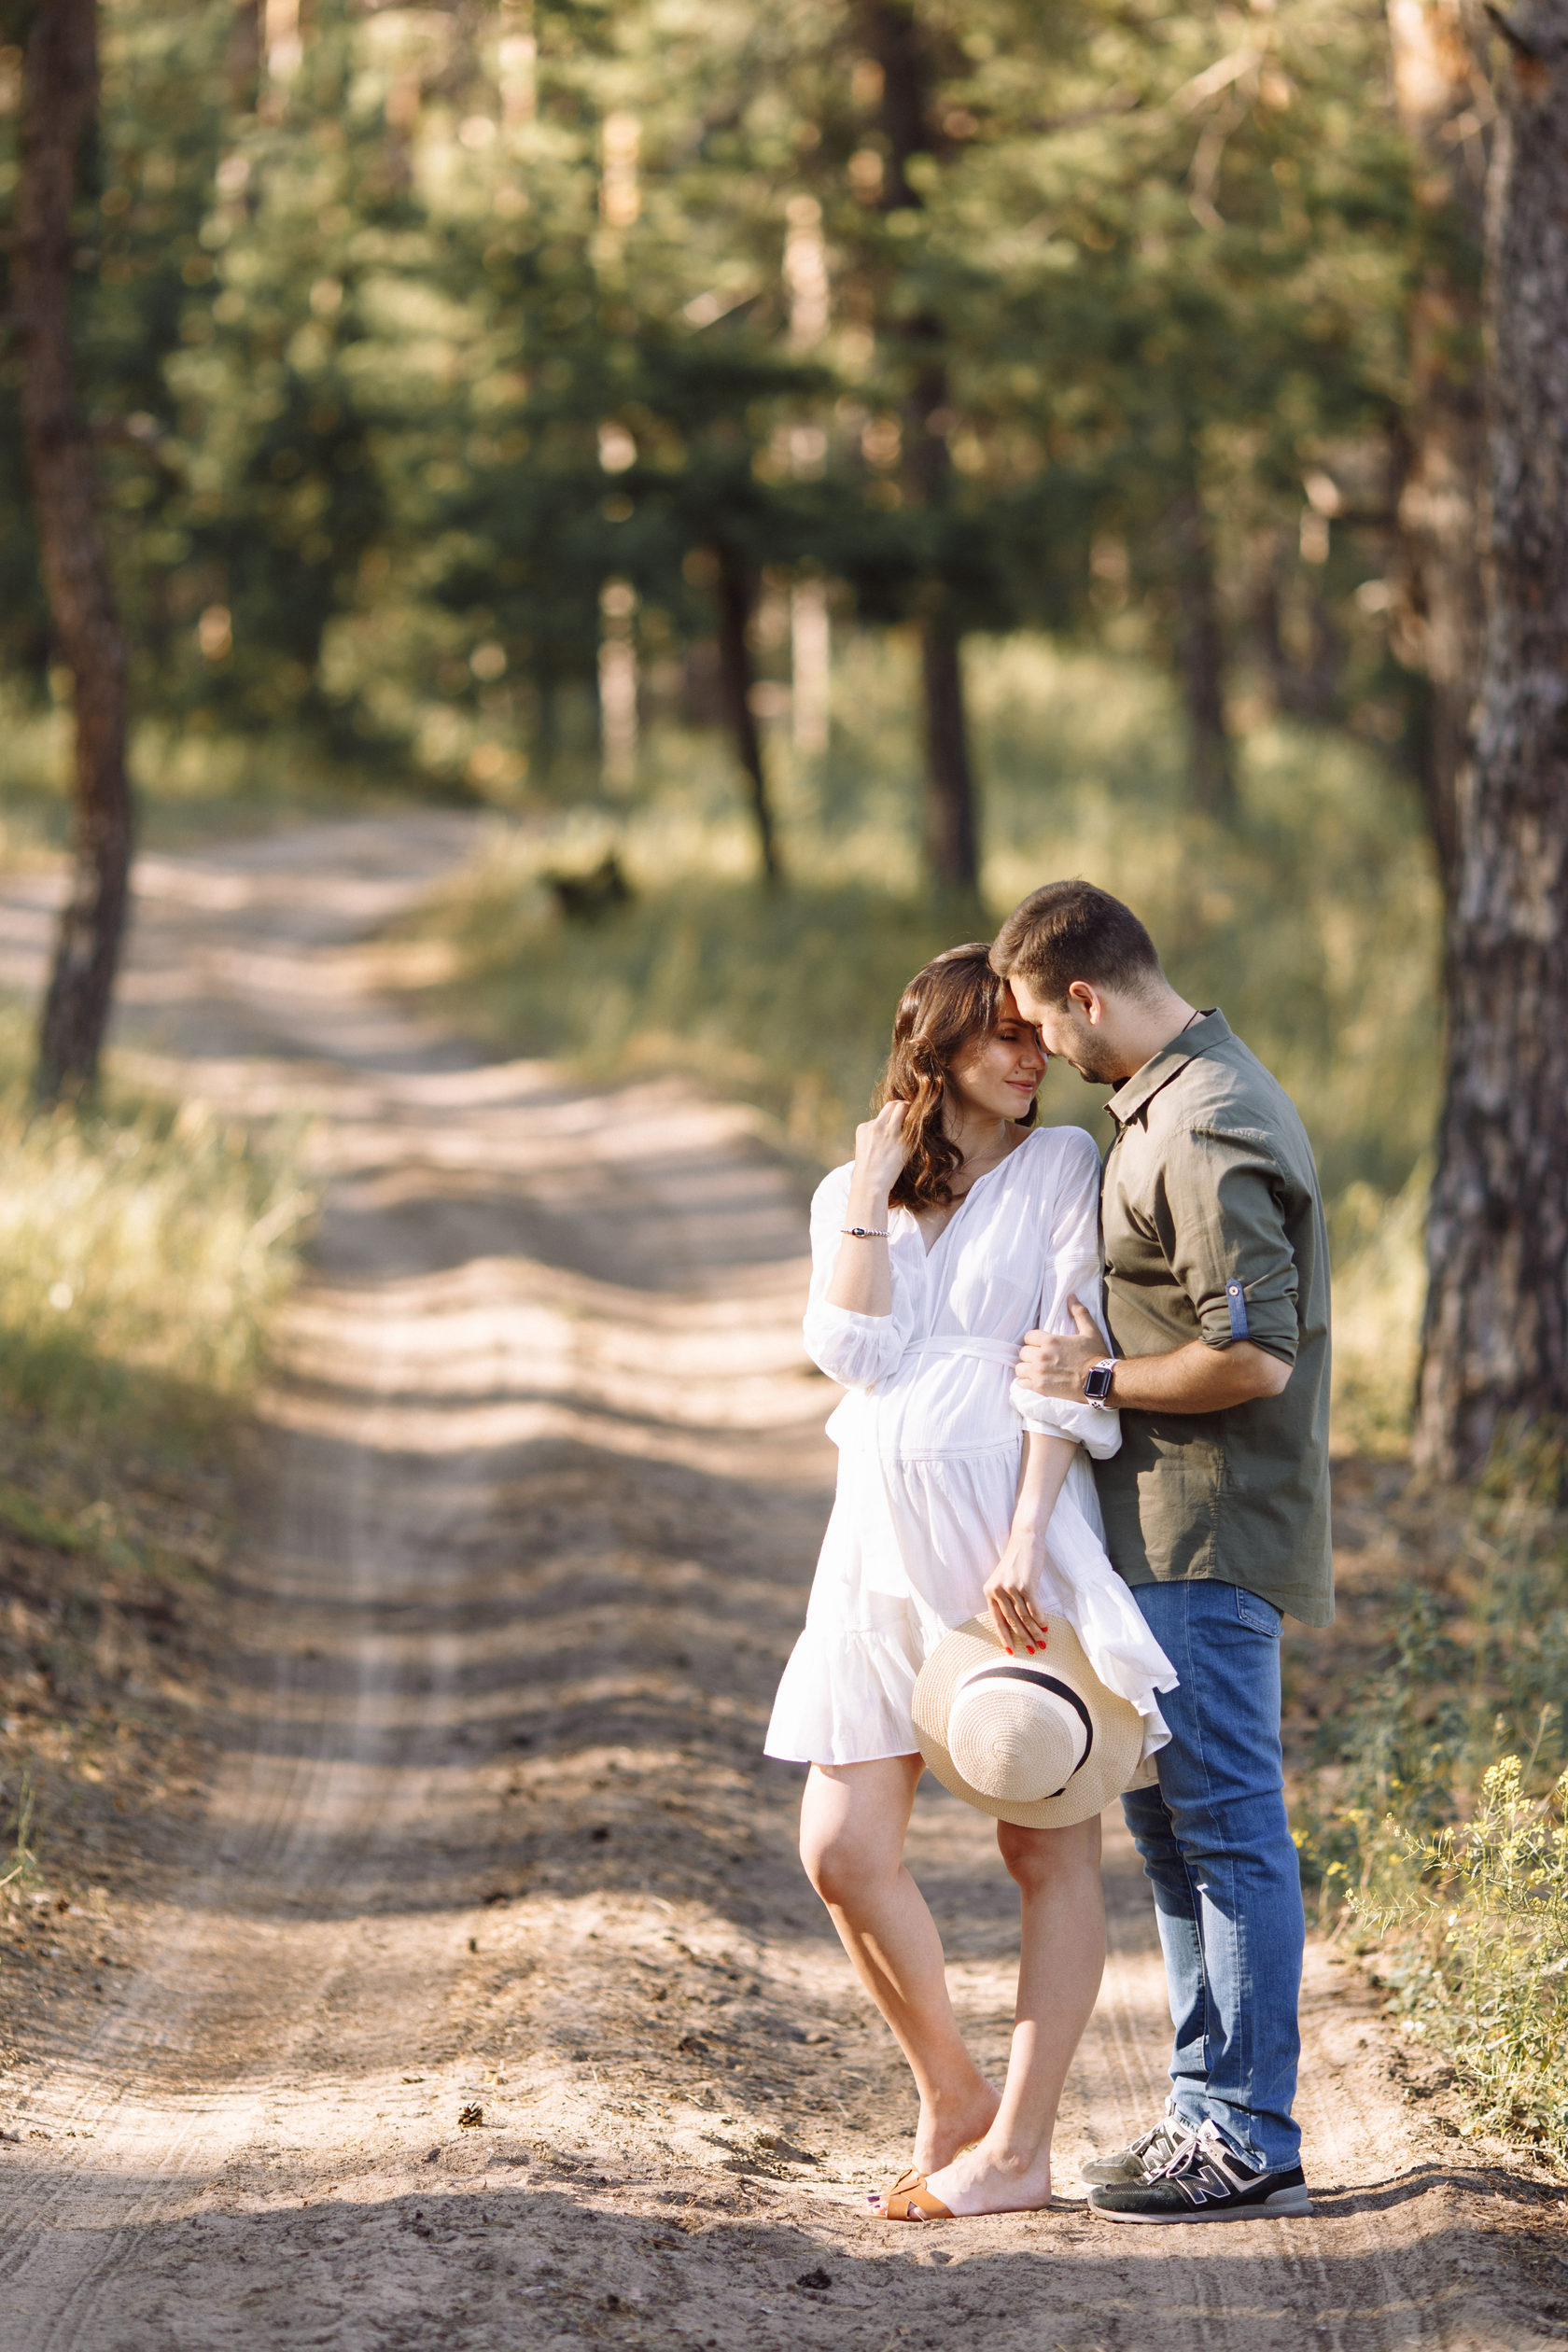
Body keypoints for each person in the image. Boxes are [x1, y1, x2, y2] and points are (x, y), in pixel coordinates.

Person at [764, 943, 1175, 2220]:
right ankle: (952, 2094)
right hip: (874, 1551)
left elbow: (1066, 1359)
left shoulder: (1065, 1167)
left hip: (1010, 1538)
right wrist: (868, 1188)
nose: (1026, 1052)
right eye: (996, 1032)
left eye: (1031, 1032)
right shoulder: (859, 1186)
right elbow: (847, 1348)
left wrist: (1024, 1539)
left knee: (1043, 1841)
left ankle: (1020, 2151)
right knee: (840, 1848)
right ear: (932, 1044)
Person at [994, 879, 1328, 2225]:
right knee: (1172, 1832)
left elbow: (1253, 1350)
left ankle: (1251, 2131)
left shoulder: (1200, 1127)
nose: (1045, 1057)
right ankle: (1204, 2112)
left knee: (1231, 1834)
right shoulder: (1168, 1108)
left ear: (1085, 995)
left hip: (1207, 1532)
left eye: (1041, 1024)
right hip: (1154, 1542)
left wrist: (1098, 1377)